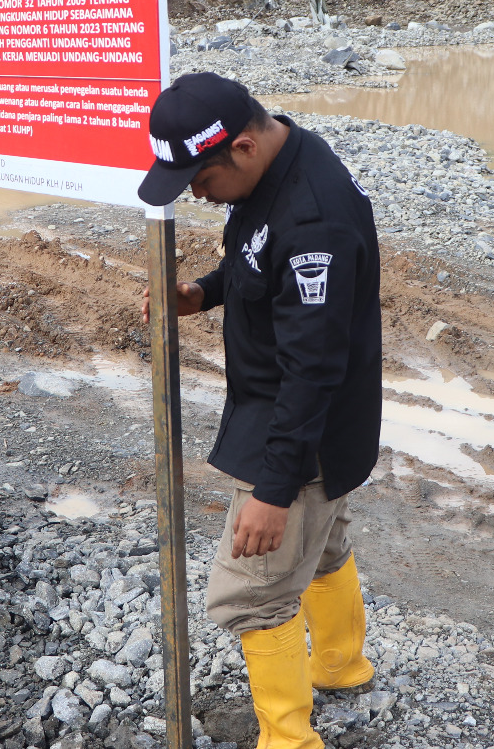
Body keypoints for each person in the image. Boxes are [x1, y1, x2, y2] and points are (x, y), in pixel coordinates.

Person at [139, 72, 383, 749]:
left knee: (251, 592)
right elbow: (258, 263)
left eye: (201, 179)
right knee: (323, 544)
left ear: (242, 147)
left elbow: (312, 370)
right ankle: (340, 664)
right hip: (320, 421)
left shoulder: (312, 222)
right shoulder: (281, 161)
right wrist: (205, 292)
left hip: (300, 432)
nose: (196, 193)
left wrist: (274, 491)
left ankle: (289, 742)